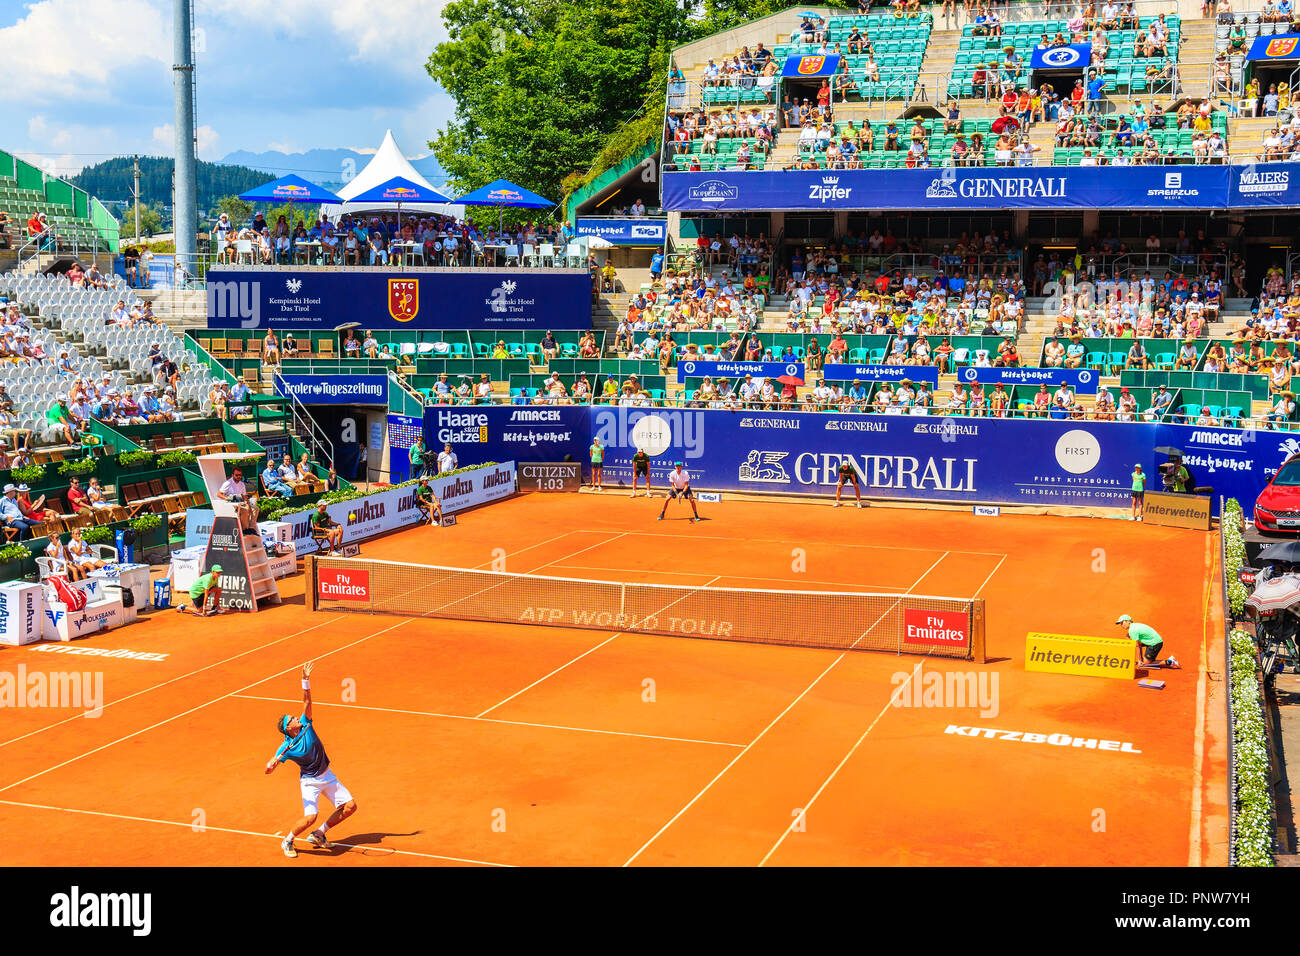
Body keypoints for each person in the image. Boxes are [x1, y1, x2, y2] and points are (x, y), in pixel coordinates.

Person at [265, 662, 359, 858]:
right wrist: (270, 766)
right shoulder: (286, 747)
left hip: (327, 775)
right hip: (310, 781)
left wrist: (305, 680)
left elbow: (307, 702)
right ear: (289, 728)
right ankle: (288, 840)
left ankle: (319, 834)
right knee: (310, 817)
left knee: (350, 806)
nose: (295, 718)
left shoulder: (306, 723)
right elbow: (274, 760)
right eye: (292, 719)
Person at [1115, 614, 1179, 669]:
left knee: (1145, 664)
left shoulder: (1132, 630)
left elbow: (1137, 646)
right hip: (1151, 641)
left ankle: (1170, 661)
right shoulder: (1134, 626)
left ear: (1127, 621)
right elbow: (1136, 644)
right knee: (1130, 638)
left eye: (1121, 623)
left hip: (1155, 643)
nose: (1121, 625)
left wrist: (1139, 660)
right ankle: (1144, 659)